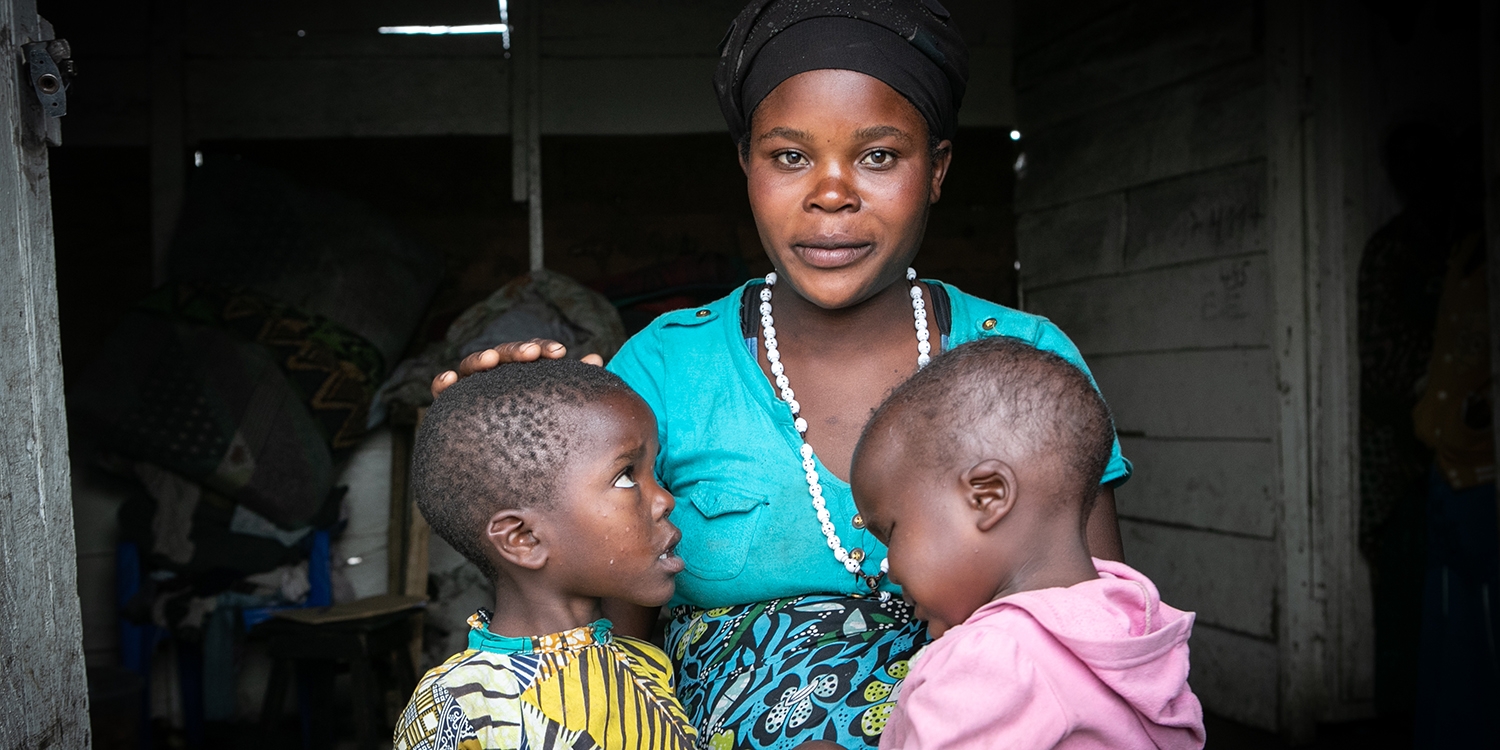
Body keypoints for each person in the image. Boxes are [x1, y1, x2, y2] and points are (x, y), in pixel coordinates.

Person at [432, 2, 1132, 747]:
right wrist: (503, 443)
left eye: (879, 156)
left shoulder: (1024, 361)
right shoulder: (665, 368)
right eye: (791, 156)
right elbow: (604, 656)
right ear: (747, 165)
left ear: (938, 169)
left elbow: (1097, 638)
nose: (832, 193)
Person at [852, 337, 1204, 749]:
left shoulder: (989, 662)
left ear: (987, 497)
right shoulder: (1138, 623)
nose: (887, 567)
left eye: (890, 532)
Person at [393, 359, 697, 750]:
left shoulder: (644, 665)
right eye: (625, 476)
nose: (665, 500)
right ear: (524, 539)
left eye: (654, 472)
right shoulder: (457, 707)